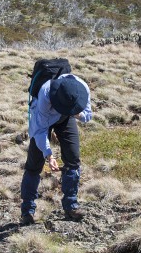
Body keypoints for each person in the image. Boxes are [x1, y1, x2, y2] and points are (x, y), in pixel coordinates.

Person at [20, 73, 92, 225]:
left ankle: (71, 205)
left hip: (67, 118)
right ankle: (27, 211)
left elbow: (88, 116)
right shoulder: (45, 94)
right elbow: (40, 131)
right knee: (34, 164)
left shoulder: (82, 88)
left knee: (73, 159)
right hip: (44, 118)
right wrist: (49, 155)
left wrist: (75, 113)